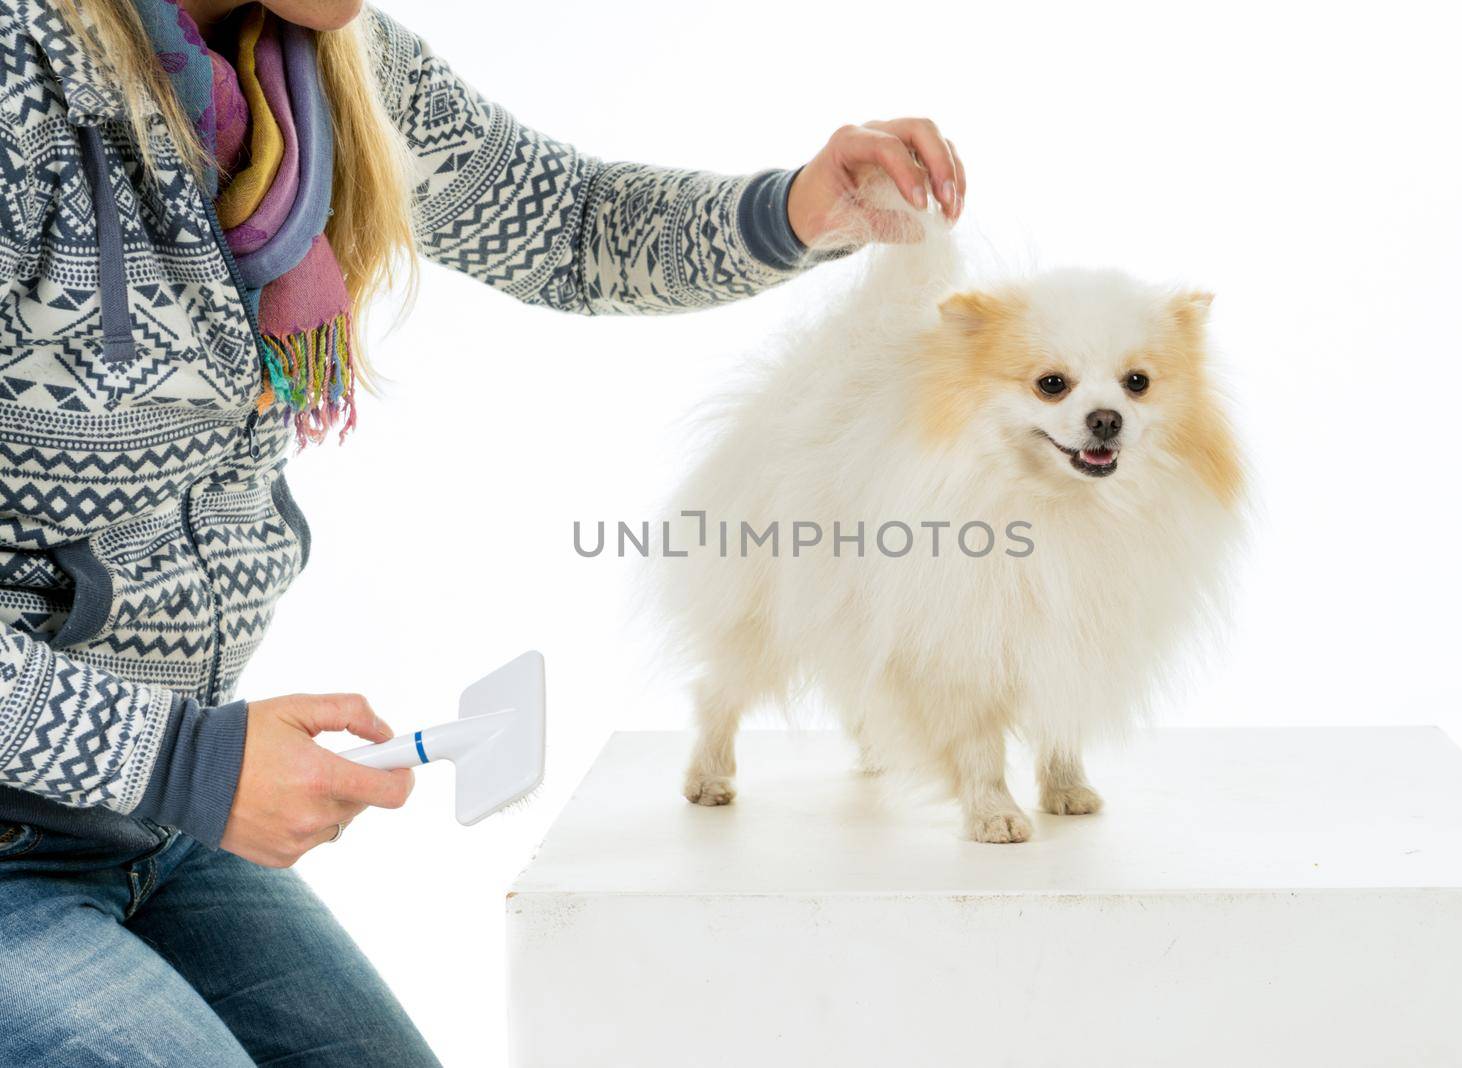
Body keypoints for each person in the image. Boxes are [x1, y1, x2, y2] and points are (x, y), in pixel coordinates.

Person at [0, 0, 966, 1062]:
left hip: (150, 829)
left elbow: (565, 223)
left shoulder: (323, 70)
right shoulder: (20, 80)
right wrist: (183, 761)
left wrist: (794, 209)